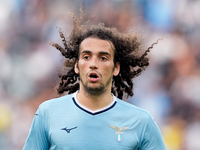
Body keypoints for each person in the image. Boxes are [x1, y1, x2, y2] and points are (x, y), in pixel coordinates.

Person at [23, 13, 167, 150]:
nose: (93, 64)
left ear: (116, 68)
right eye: (86, 57)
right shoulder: (48, 113)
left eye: (103, 58)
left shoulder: (141, 121)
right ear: (77, 66)